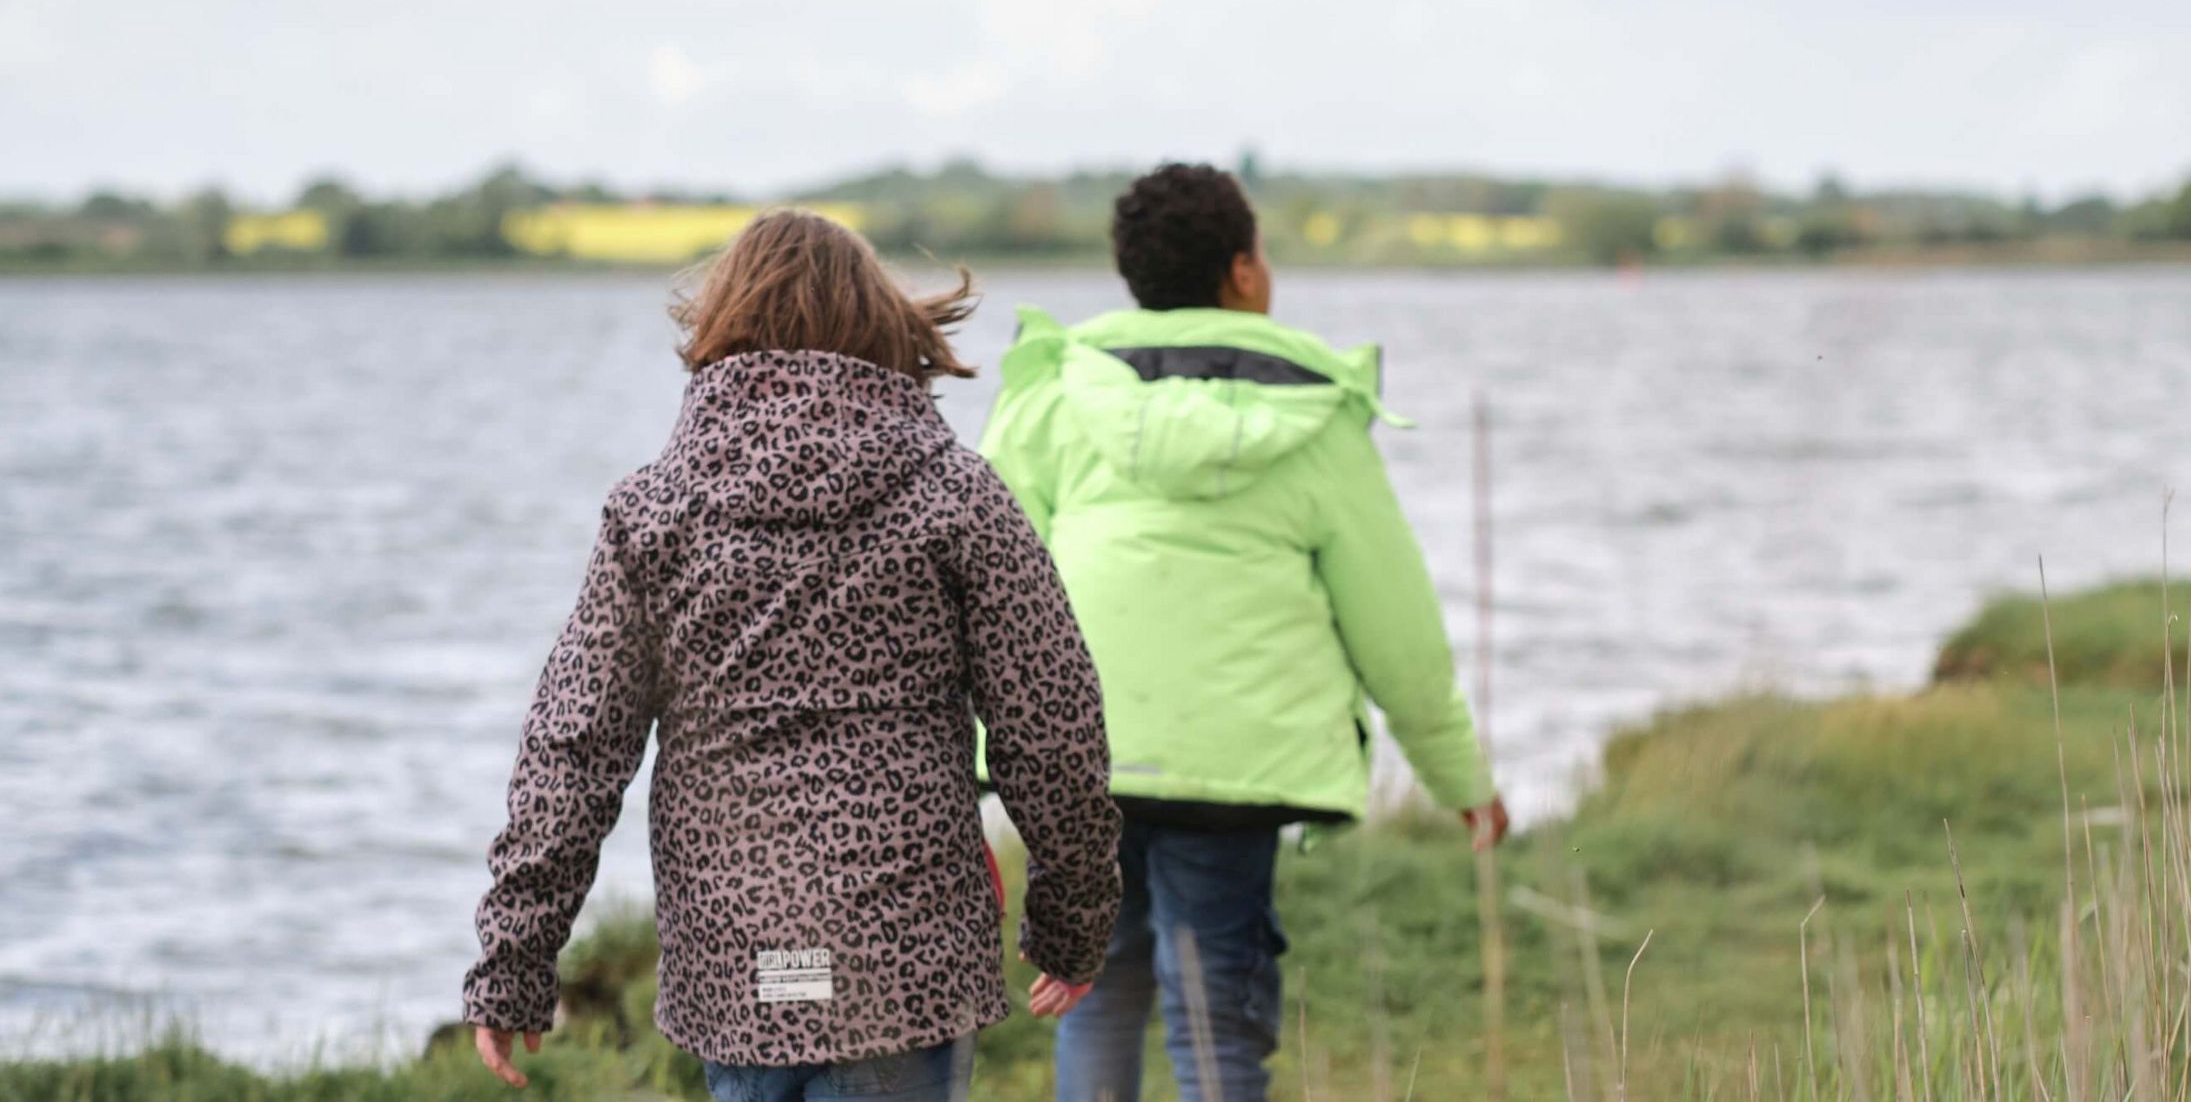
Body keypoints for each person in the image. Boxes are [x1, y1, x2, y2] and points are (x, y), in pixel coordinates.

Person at [460, 209, 1122, 1102]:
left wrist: (513, 959)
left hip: (739, 964)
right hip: (901, 961)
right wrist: (1073, 920)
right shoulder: (957, 496)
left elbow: (574, 748)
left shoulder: (655, 515)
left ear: (724, 324)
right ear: (882, 322)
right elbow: (1052, 724)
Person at [979, 164, 1509, 1102]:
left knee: (1092, 998)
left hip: (1076, 760)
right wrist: (1457, 776)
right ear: (1242, 274)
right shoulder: (1313, 418)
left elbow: (983, 591)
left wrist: (967, 751)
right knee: (1218, 1025)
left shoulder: (1055, 395)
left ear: (1130, 276)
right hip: (1236, 771)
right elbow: (1394, 624)